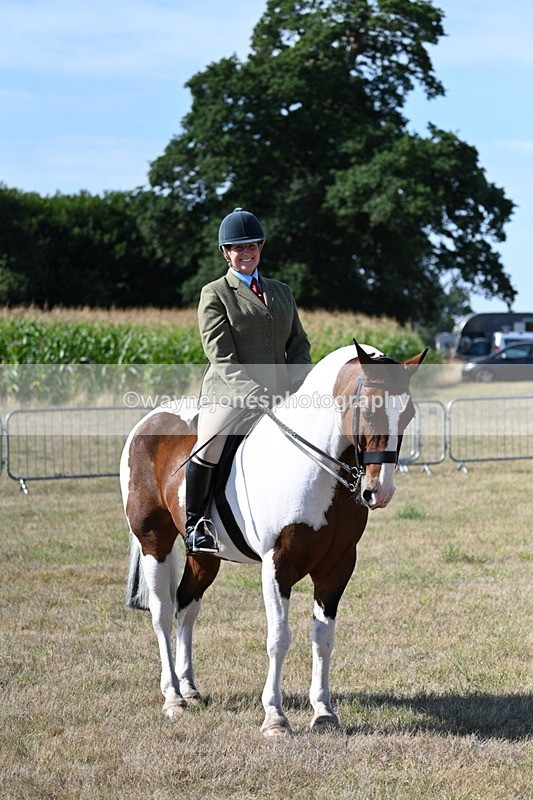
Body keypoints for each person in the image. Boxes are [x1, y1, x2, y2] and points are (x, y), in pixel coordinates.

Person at [184, 207, 312, 555]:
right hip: (230, 394)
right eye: (238, 248)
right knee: (208, 443)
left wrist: (298, 383)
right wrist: (251, 392)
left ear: (261, 247)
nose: (246, 253)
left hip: (281, 394)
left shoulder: (281, 291)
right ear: (226, 253)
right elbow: (220, 354)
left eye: (252, 246)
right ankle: (196, 525)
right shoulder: (215, 294)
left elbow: (298, 343)